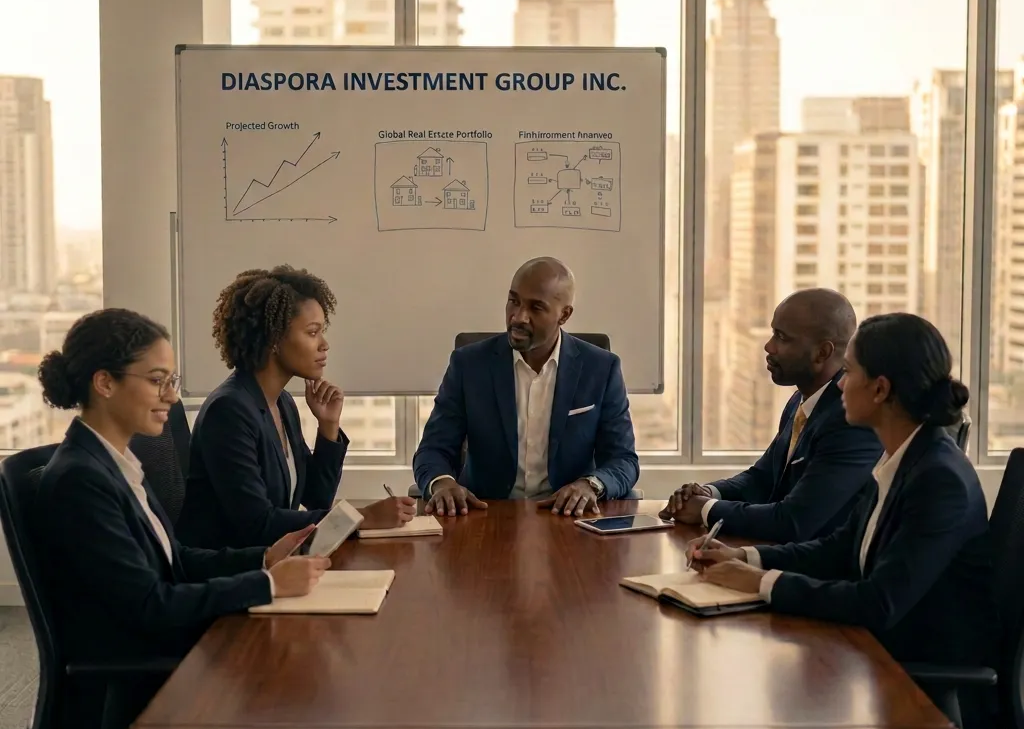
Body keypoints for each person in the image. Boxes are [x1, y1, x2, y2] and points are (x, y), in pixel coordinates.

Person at [35, 308, 330, 729]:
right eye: (157, 380)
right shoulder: (82, 480)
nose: (171, 398)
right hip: (140, 679)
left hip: (166, 647)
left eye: (171, 382)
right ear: (105, 383)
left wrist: (264, 558)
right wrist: (267, 585)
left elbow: (177, 559)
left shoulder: (116, 463)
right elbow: (150, 606)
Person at [689, 312, 996, 670]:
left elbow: (878, 602)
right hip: (880, 651)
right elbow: (841, 546)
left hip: (920, 676)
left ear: (880, 389)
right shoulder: (901, 455)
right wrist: (746, 558)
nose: (838, 385)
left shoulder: (939, 480)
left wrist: (760, 583)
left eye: (848, 372)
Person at [177, 265, 414, 548]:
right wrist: (361, 516)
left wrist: (328, 427)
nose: (324, 345)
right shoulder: (229, 411)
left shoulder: (282, 402)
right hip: (229, 575)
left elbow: (316, 498)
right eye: (312, 332)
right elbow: (258, 524)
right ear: (274, 339)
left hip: (272, 564)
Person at [413, 257, 640, 517]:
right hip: (486, 515)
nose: (518, 317)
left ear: (564, 315)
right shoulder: (469, 365)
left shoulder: (600, 369)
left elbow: (623, 460)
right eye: (514, 301)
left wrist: (591, 485)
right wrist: (442, 483)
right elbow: (433, 448)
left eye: (536, 307)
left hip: (566, 517)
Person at [662, 288, 881, 542]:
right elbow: (763, 478)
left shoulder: (851, 420)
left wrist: (705, 509)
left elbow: (793, 521)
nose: (769, 346)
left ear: (822, 352)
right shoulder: (801, 400)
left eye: (782, 337)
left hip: (819, 572)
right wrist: (709, 492)